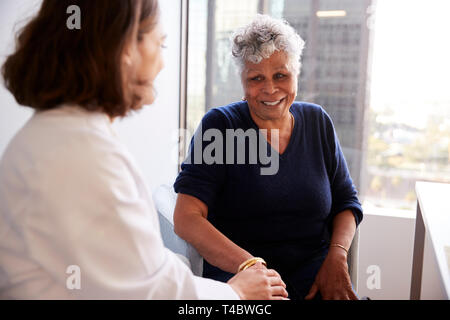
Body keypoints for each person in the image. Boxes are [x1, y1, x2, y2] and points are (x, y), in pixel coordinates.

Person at [0, 1, 288, 300]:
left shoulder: (67, 138)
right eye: (160, 44)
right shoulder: (81, 155)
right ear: (124, 50)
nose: (163, 63)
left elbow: (134, 269)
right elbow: (148, 291)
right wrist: (235, 294)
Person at [173, 14, 363, 300]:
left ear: (296, 74)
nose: (270, 89)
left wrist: (337, 257)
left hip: (315, 276)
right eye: (256, 78)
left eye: (280, 75)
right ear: (242, 80)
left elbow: (346, 202)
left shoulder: (317, 121)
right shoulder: (221, 126)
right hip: (244, 278)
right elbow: (186, 217)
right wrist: (251, 266)